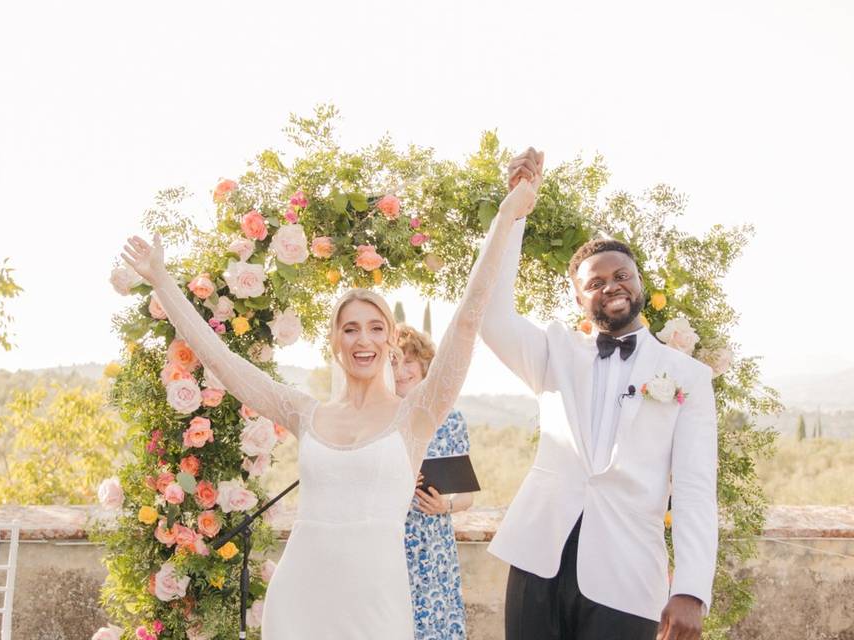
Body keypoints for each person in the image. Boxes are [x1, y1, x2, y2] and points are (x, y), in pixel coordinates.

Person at [120, 169, 542, 639]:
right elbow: (220, 359)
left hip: (377, 607)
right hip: (300, 599)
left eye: (376, 327)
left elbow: (467, 320)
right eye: (350, 328)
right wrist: (161, 279)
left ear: (390, 342)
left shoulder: (416, 416)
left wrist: (506, 216)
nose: (364, 339)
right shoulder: (306, 412)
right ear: (336, 343)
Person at [480, 147, 718, 640]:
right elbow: (491, 316)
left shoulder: (688, 377)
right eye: (596, 282)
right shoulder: (555, 352)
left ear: (639, 283)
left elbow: (695, 490)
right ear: (578, 298)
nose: (611, 286)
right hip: (538, 560)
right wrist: (514, 215)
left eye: (621, 276)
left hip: (628, 576)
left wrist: (692, 587)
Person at [393, 324, 473, 639]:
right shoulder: (378, 419)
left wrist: (445, 505)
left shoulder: (451, 420)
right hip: (390, 542)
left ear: (425, 365)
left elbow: (467, 497)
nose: (401, 370)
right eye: (393, 362)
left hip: (434, 548)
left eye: (408, 361)